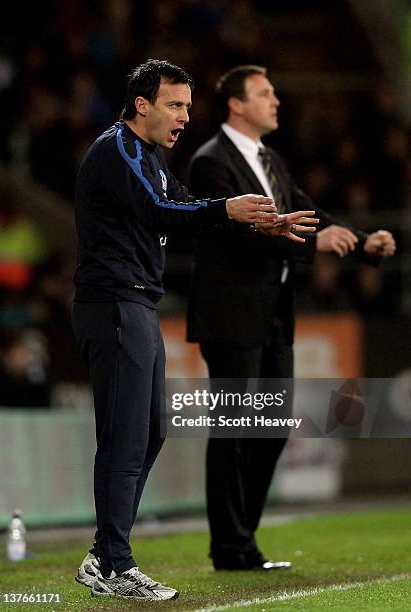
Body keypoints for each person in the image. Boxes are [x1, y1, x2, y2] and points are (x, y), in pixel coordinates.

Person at [71, 59, 315, 601]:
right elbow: (162, 212)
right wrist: (227, 208)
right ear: (142, 105)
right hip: (114, 305)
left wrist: (250, 216)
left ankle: (103, 555)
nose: (185, 115)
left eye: (186, 105)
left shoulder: (150, 158)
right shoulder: (119, 150)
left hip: (137, 306)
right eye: (175, 105)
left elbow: (181, 202)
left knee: (149, 433)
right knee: (126, 438)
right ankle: (114, 562)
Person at [186, 65, 396, 572]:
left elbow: (307, 213)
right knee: (235, 427)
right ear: (236, 105)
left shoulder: (270, 159)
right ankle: (230, 546)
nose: (276, 100)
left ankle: (242, 540)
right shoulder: (210, 162)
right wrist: (308, 244)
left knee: (272, 428)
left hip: (273, 314)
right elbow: (234, 235)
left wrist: (363, 244)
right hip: (231, 312)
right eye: (264, 93)